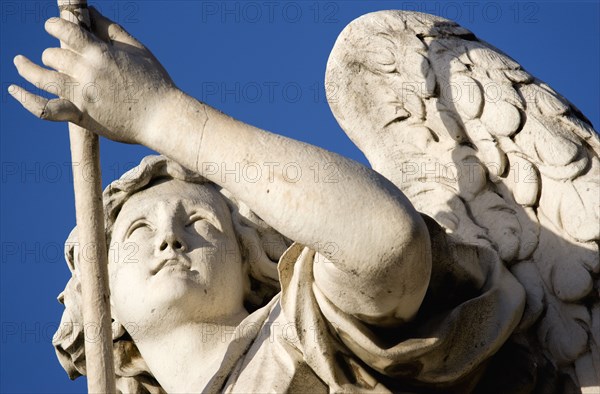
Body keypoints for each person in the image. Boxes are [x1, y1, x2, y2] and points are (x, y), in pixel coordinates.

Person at [11, 8, 526, 393]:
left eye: (201, 223)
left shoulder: (298, 335)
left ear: (249, 262)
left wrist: (159, 116)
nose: (169, 238)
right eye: (137, 232)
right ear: (103, 300)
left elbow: (384, 242)